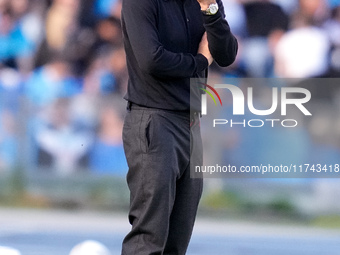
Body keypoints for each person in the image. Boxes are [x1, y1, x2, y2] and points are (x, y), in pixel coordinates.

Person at [121, 0, 238, 254]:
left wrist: (211, 11)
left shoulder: (207, 3)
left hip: (192, 122)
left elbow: (227, 54)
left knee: (178, 238)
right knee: (149, 236)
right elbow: (151, 60)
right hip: (155, 119)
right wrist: (199, 62)